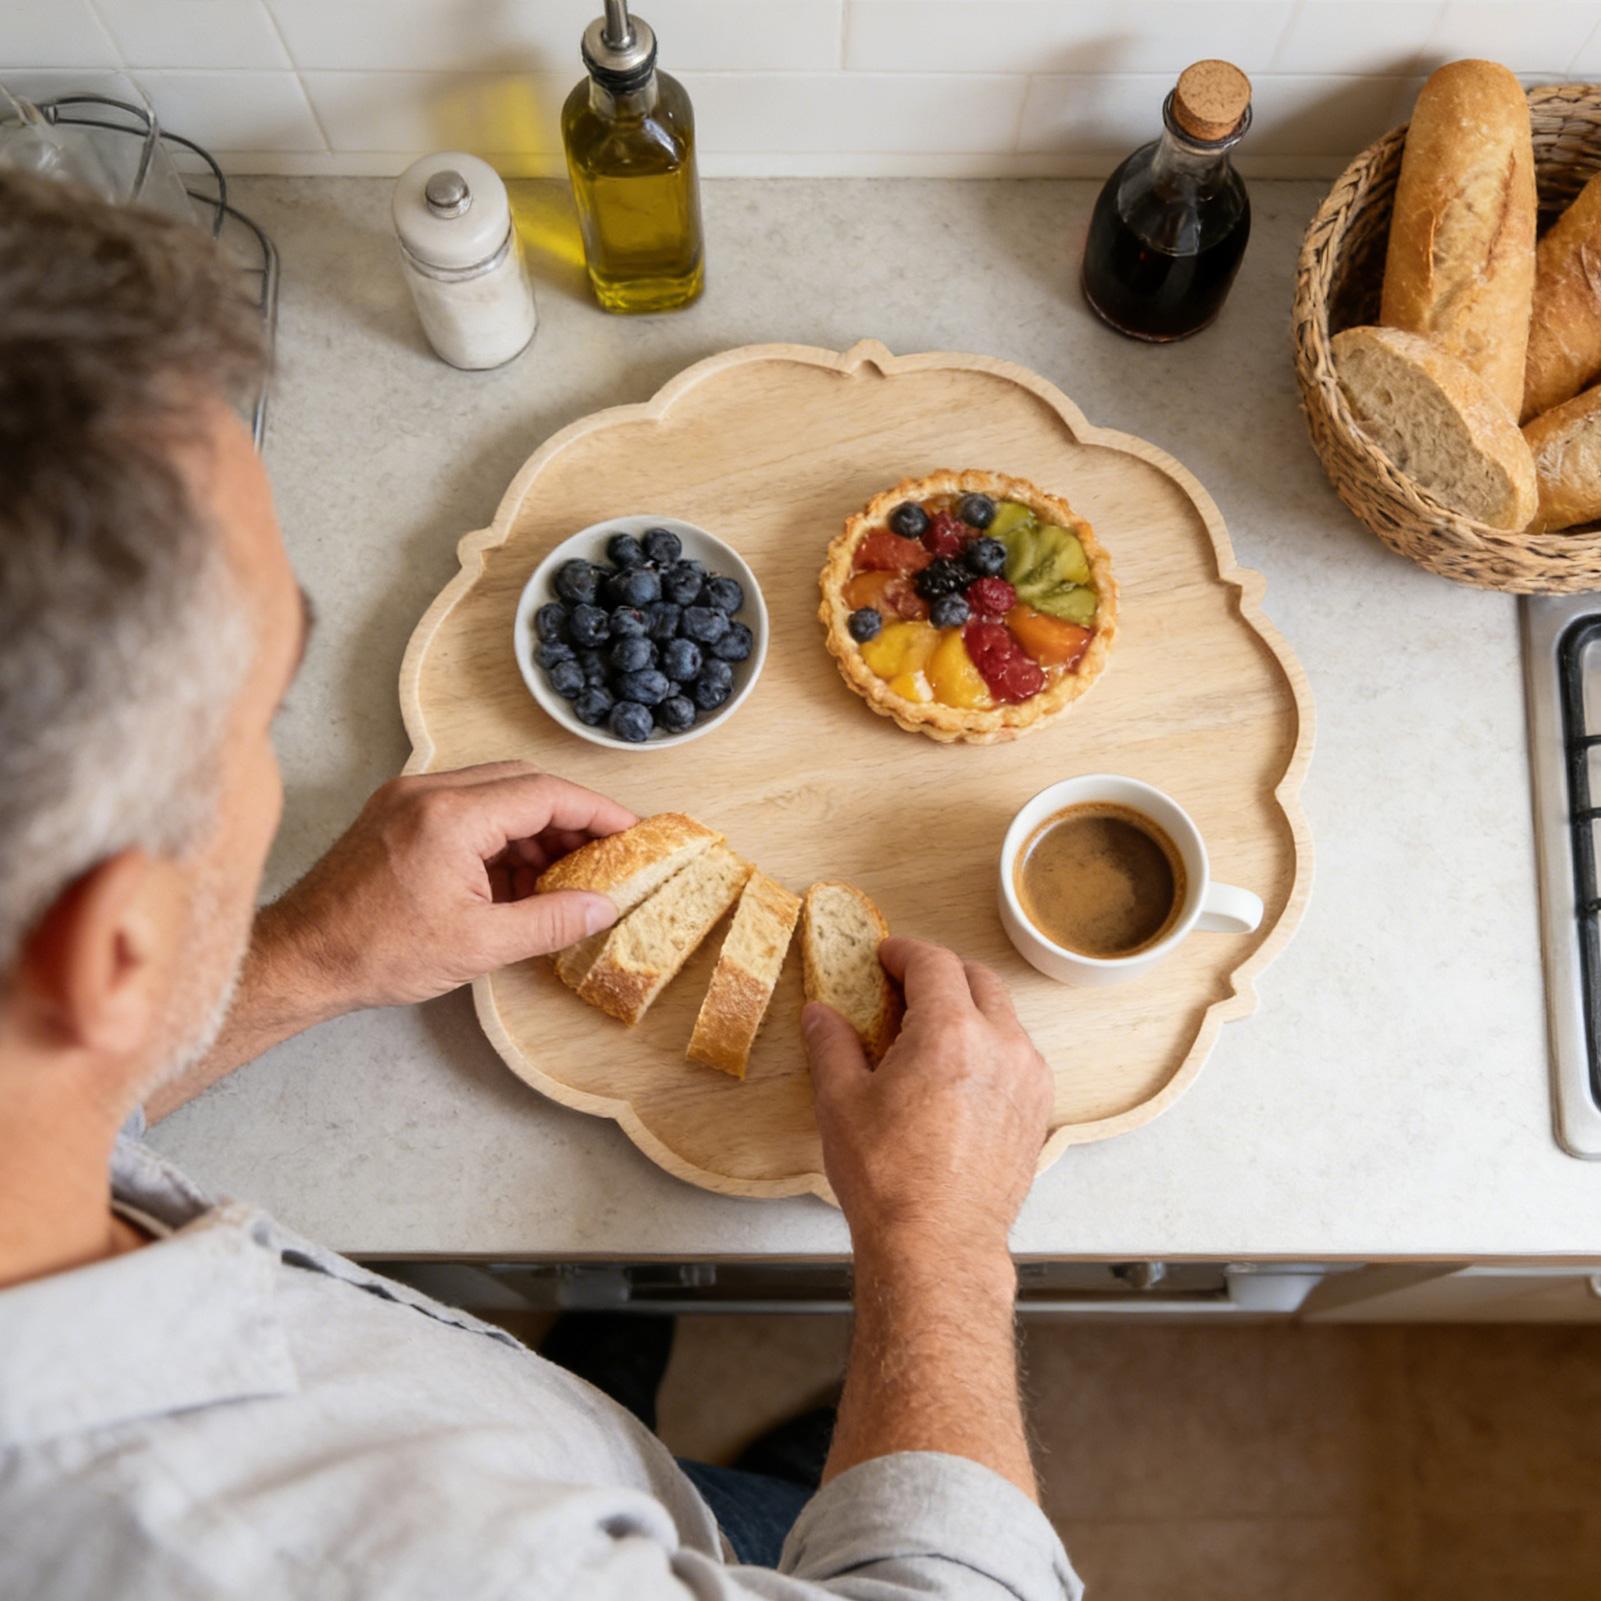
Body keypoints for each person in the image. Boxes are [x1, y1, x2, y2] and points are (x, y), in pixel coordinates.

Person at [0, 170, 1079, 1600]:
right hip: (633, 1524)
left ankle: (623, 1358)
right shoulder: (390, 1552)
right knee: (785, 1503)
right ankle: (771, 1468)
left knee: (667, 1430)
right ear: (111, 945)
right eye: (262, 713)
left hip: (540, 1435)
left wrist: (311, 955)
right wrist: (941, 1258)